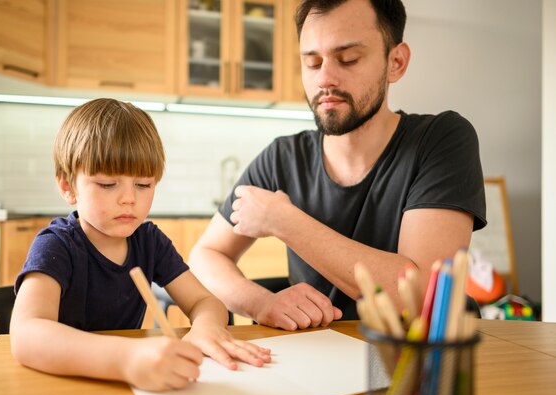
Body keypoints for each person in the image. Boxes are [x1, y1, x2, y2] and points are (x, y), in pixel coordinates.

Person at [189, 0, 486, 331]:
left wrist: (284, 221)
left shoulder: (441, 140)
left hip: (427, 361)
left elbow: (419, 298)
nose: (325, 79)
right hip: (321, 359)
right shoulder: (282, 158)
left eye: (348, 59)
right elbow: (205, 255)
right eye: (312, 63)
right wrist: (261, 303)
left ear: (396, 62)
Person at [10, 98, 270, 392]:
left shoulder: (149, 241)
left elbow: (204, 302)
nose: (129, 199)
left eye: (143, 185)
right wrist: (126, 359)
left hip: (129, 387)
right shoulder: (56, 245)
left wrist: (205, 327)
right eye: (108, 184)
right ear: (68, 188)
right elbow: (25, 336)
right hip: (62, 383)